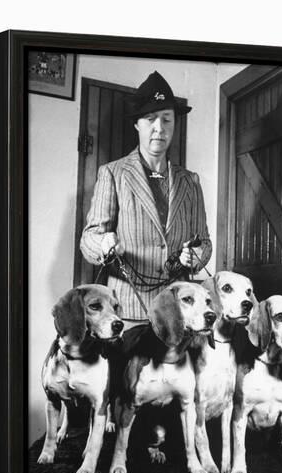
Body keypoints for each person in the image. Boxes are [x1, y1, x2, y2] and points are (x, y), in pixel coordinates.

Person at [80, 71, 212, 324]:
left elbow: (204, 242)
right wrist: (104, 244)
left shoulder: (191, 181)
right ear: (137, 124)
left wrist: (195, 255)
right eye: (150, 119)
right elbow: (89, 239)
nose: (159, 128)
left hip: (178, 312)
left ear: (174, 124)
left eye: (166, 119)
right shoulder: (113, 173)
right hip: (127, 308)